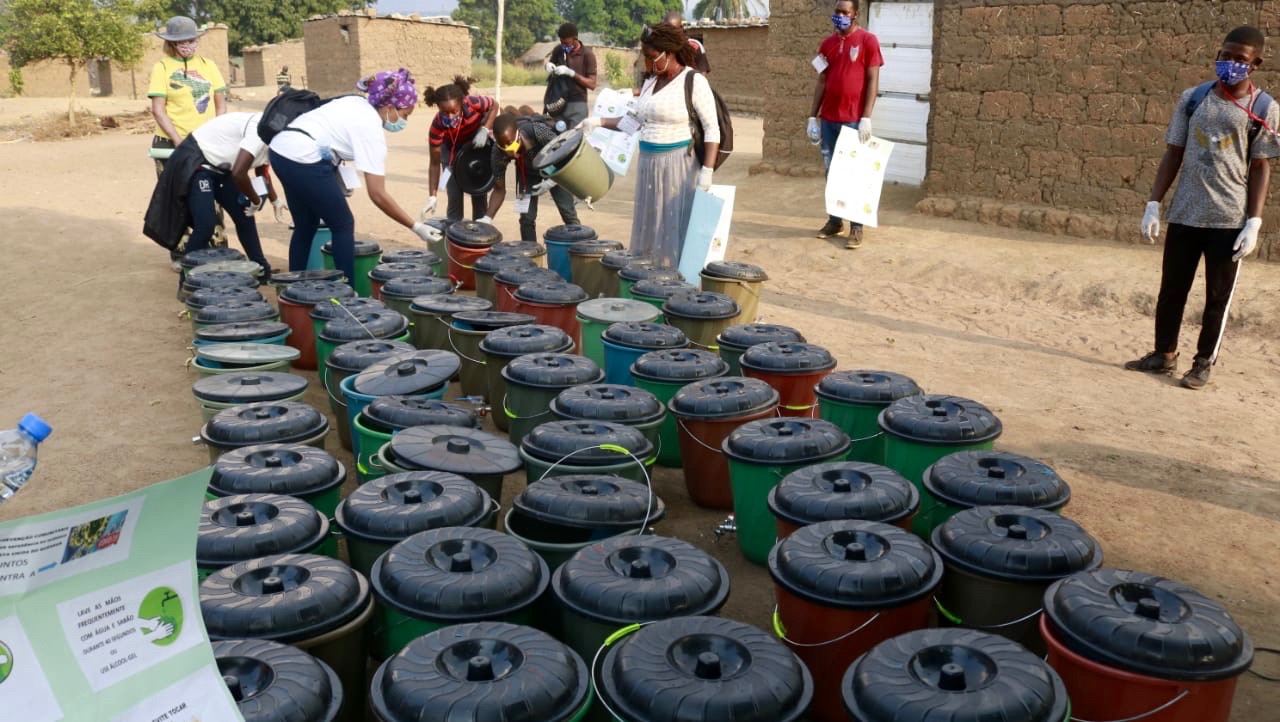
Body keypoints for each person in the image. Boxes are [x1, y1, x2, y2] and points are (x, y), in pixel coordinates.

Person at [1127, 26, 1278, 390]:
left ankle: (1202, 362)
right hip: (1185, 213)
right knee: (1171, 290)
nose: (1229, 64)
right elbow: (1173, 152)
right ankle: (1163, 354)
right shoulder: (1193, 99)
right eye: (1225, 55)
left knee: (1216, 298)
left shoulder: (1263, 108)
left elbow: (1260, 166)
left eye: (1239, 59)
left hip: (1228, 220)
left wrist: (1254, 222)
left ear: (1254, 64)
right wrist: (1153, 203)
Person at [268, 68, 441, 284]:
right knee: (343, 224)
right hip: (303, 157)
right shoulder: (371, 130)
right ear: (389, 107)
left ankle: (292, 288)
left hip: (280, 151)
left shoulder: (356, 102)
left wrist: (333, 177)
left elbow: (326, 135)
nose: (403, 121)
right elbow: (377, 194)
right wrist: (415, 226)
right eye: (405, 114)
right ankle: (346, 289)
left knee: (305, 223)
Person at [582, 23, 719, 268]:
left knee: (673, 227)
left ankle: (674, 282)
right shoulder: (650, 83)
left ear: (668, 53)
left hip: (678, 166)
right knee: (652, 225)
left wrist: (707, 171)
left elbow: (712, 128)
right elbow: (632, 123)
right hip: (648, 165)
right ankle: (650, 281)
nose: (648, 63)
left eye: (651, 57)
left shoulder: (693, 80)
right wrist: (598, 122)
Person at [142, 112, 285, 278]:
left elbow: (262, 168)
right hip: (198, 163)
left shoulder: (278, 134)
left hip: (223, 168)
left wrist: (275, 200)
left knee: (244, 215)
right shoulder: (261, 131)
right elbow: (239, 174)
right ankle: (186, 280)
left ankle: (262, 270)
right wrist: (254, 199)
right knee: (205, 225)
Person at [807, 0, 882, 249]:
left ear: (855, 15)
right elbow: (821, 81)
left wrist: (866, 117)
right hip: (829, 119)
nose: (839, 16)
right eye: (836, 12)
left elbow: (872, 80)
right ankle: (835, 220)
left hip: (853, 119)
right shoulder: (827, 44)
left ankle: (856, 227)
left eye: (844, 12)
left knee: (854, 174)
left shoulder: (867, 41)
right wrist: (812, 115)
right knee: (832, 172)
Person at [148, 16, 227, 177]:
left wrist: (216, 134)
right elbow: (158, 110)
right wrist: (178, 141)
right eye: (181, 41)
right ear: (171, 43)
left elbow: (221, 106)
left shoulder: (208, 65)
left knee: (206, 192)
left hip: (205, 141)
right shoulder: (162, 68)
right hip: (170, 142)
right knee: (173, 195)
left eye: (191, 40)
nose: (187, 44)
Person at [485, 112, 580, 241]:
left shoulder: (538, 131)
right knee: (526, 219)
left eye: (511, 143)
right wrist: (487, 218)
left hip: (554, 168)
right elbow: (499, 189)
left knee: (568, 214)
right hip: (527, 173)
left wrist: (551, 181)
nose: (510, 151)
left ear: (518, 134)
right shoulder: (497, 154)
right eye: (504, 147)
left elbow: (564, 155)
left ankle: (579, 250)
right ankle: (531, 254)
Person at [421, 76, 498, 222]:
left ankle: (480, 230)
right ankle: (454, 229)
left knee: (478, 193)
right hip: (451, 152)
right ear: (438, 108)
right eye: (444, 112)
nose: (449, 117)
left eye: (454, 112)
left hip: (476, 147)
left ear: (462, 103)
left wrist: (485, 129)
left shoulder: (473, 103)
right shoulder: (437, 126)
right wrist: (432, 195)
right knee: (454, 194)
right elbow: (435, 163)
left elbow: (495, 105)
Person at [544, 23, 598, 129]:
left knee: (575, 138)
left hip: (577, 104)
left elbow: (592, 84)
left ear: (575, 39)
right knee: (557, 138)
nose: (564, 46)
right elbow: (552, 64)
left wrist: (572, 73)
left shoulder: (587, 55)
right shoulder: (559, 50)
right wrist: (548, 66)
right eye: (561, 42)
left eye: (567, 43)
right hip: (558, 103)